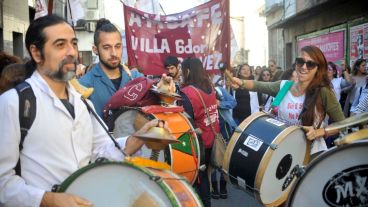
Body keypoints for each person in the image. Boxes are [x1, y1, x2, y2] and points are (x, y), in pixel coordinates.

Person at [0, 15, 166, 207]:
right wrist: (46, 199)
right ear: (36, 53)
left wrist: (139, 138)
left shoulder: (83, 103)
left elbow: (102, 150)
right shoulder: (13, 103)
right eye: (60, 45)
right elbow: (3, 182)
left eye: (74, 43)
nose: (71, 52)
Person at [230, 45, 345, 157]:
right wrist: (241, 82)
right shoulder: (284, 86)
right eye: (301, 61)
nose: (304, 67)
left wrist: (319, 132)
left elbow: (342, 124)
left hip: (312, 154)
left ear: (318, 69)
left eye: (310, 64)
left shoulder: (323, 91)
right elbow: (259, 85)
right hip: (283, 152)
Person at [79, 18, 143, 117]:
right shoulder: (84, 85)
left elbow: (156, 96)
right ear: (95, 50)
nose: (113, 53)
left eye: (117, 46)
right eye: (106, 47)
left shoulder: (136, 78)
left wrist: (164, 90)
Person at [178, 57, 219, 207]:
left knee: (198, 180)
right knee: (205, 176)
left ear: (187, 71)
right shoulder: (210, 87)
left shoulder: (187, 92)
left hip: (198, 144)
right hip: (212, 139)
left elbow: (186, 121)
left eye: (182, 71)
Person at [210, 75, 237, 200]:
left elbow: (233, 102)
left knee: (223, 160)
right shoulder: (197, 92)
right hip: (209, 131)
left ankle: (223, 186)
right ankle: (215, 187)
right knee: (213, 159)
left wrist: (220, 103)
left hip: (223, 130)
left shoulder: (220, 90)